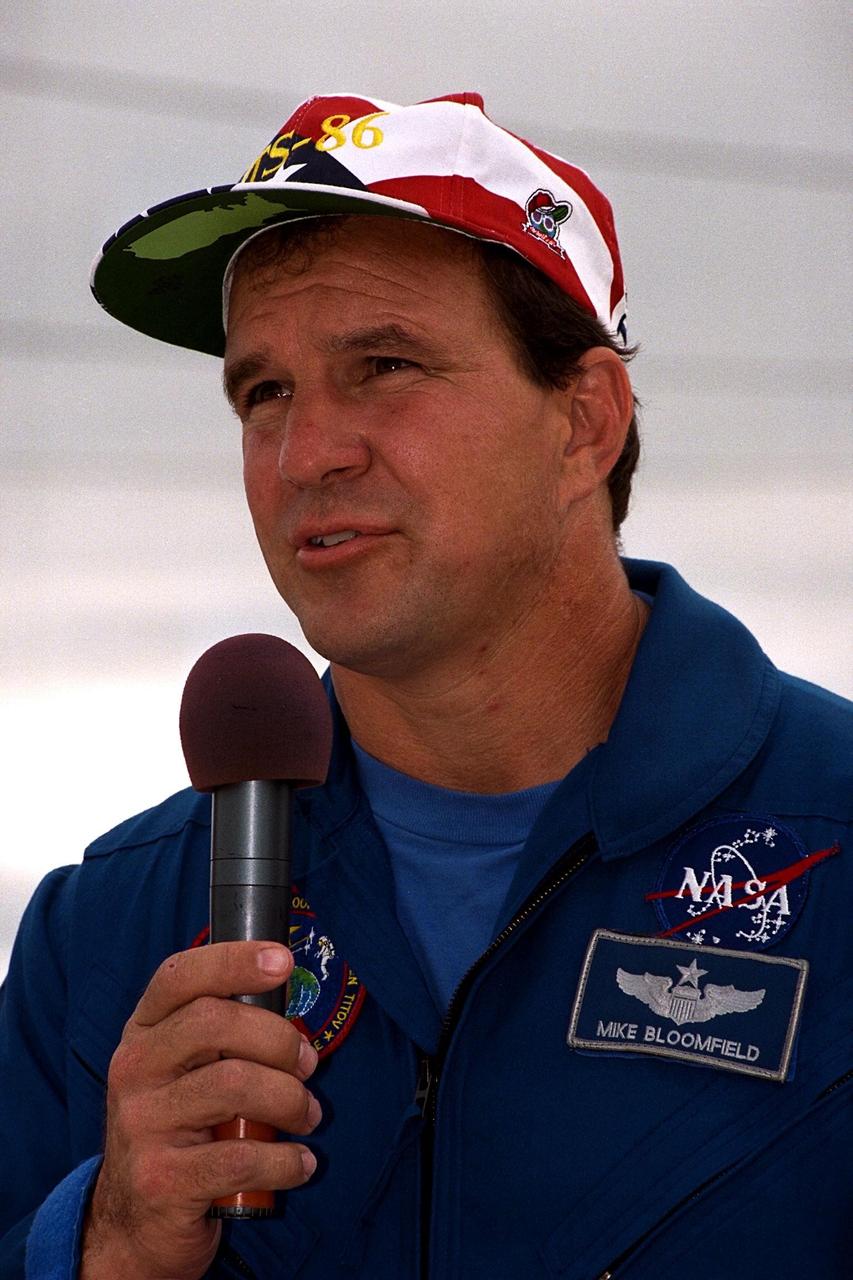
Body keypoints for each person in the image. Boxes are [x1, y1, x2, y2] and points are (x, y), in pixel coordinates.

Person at [0, 92, 850, 1280]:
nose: (307, 455)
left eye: (384, 366)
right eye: (265, 393)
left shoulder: (834, 847)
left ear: (585, 422)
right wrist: (107, 1243)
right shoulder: (107, 931)